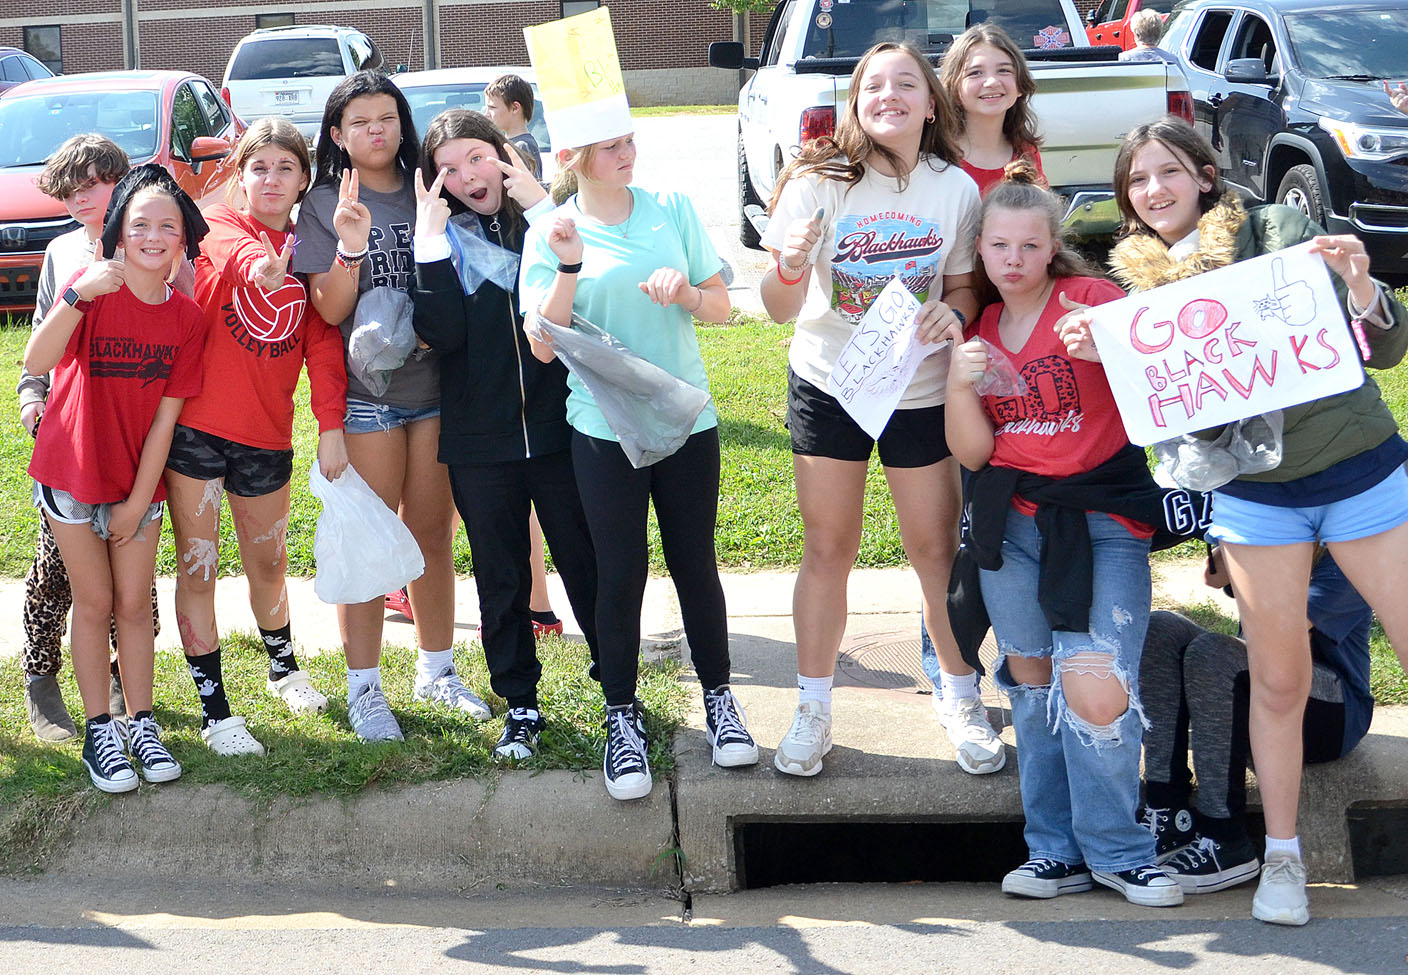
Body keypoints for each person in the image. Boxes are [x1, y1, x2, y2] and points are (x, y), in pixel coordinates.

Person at [1062, 115, 1408, 925]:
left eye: (1167, 171)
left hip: (1357, 468)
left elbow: (1383, 350)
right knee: (1278, 675)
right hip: (1256, 497)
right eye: (1137, 181)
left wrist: (1362, 288)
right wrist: (1101, 349)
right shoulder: (1137, 296)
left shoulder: (1275, 229)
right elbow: (1165, 400)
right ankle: (1281, 859)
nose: (1154, 189)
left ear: (1204, 176)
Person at [946, 162, 1183, 907]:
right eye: (998, 246)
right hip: (1012, 527)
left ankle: (1121, 850)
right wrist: (958, 381)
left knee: (1099, 685)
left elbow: (1162, 380)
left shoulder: (1094, 301)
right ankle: (1053, 851)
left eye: (1028, 245)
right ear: (980, 252)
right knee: (1032, 685)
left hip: (1104, 518)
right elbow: (976, 452)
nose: (1012, 259)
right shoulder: (982, 329)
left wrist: (1112, 344)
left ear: (1053, 249)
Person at [760, 42, 989, 778]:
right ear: (856, 103)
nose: (887, 94)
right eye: (871, 84)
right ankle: (814, 706)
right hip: (831, 382)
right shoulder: (820, 182)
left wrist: (952, 317)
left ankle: (960, 694)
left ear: (931, 102)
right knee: (830, 546)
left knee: (936, 551)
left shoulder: (954, 189)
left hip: (918, 388)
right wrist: (791, 264)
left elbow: (961, 288)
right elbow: (776, 308)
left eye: (905, 83)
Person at [520, 121, 757, 802]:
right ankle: (620, 715)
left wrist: (685, 292)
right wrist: (567, 265)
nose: (629, 154)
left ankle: (719, 699)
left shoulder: (672, 208)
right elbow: (542, 345)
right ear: (573, 157)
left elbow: (719, 309)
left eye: (630, 140)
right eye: (611, 144)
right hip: (602, 428)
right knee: (619, 571)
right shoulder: (553, 230)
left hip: (686, 418)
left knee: (694, 563)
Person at [294, 71, 485, 741]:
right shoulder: (322, 202)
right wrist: (350, 243)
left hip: (437, 394)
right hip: (369, 402)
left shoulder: (429, 187)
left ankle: (438, 671)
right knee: (370, 547)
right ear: (338, 136)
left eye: (386, 117)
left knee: (432, 535)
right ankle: (365, 688)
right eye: (360, 122)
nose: (375, 130)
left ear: (403, 123)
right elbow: (328, 310)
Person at [411, 109, 601, 759]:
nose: (467, 176)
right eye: (449, 169)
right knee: (501, 577)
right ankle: (520, 703)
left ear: (503, 154)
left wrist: (544, 208)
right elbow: (443, 335)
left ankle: (618, 688)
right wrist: (430, 242)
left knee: (586, 560)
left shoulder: (543, 219)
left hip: (561, 429)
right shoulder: (445, 239)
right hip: (479, 442)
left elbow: (592, 294)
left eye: (476, 158)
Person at [165, 117, 350, 757]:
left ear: (303, 180)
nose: (271, 179)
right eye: (259, 167)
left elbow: (325, 346)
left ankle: (283, 669)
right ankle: (215, 710)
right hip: (196, 433)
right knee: (199, 565)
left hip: (267, 437)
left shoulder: (312, 252)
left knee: (269, 564)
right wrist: (261, 269)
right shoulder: (216, 231)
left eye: (285, 168)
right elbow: (237, 258)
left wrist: (331, 428)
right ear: (240, 176)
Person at [24, 164, 209, 793]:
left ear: (183, 240)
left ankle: (141, 720)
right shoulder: (91, 288)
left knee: (134, 604)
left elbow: (166, 421)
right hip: (73, 473)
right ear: (118, 235)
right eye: (140, 226)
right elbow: (36, 360)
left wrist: (136, 502)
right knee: (95, 601)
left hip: (137, 482)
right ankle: (99, 730)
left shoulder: (187, 319)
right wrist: (78, 297)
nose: (154, 237)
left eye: (168, 227)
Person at [1140, 544, 1373, 895]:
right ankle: (1167, 813)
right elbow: (1213, 575)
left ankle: (1225, 837)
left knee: (1213, 653)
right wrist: (1228, 531)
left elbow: (1287, 629)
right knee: (1160, 629)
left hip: (1332, 711)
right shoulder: (1267, 534)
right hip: (1262, 687)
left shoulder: (1346, 555)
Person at [17, 135, 142, 742]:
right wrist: (31, 401)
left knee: (128, 571)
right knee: (56, 571)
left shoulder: (148, 242)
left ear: (122, 180)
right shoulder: (62, 252)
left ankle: (120, 681)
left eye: (94, 184)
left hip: (129, 436)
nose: (82, 199)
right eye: (70, 191)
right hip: (68, 436)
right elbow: (37, 349)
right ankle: (40, 679)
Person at [938, 24, 1046, 196]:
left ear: (1020, 85)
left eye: (1004, 70)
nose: (992, 82)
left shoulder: (1026, 152)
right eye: (975, 73)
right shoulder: (937, 157)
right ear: (953, 87)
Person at [485, 75, 543, 180]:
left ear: (515, 108)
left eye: (492, 108)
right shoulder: (509, 143)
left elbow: (528, 189)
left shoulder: (522, 147)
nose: (486, 114)